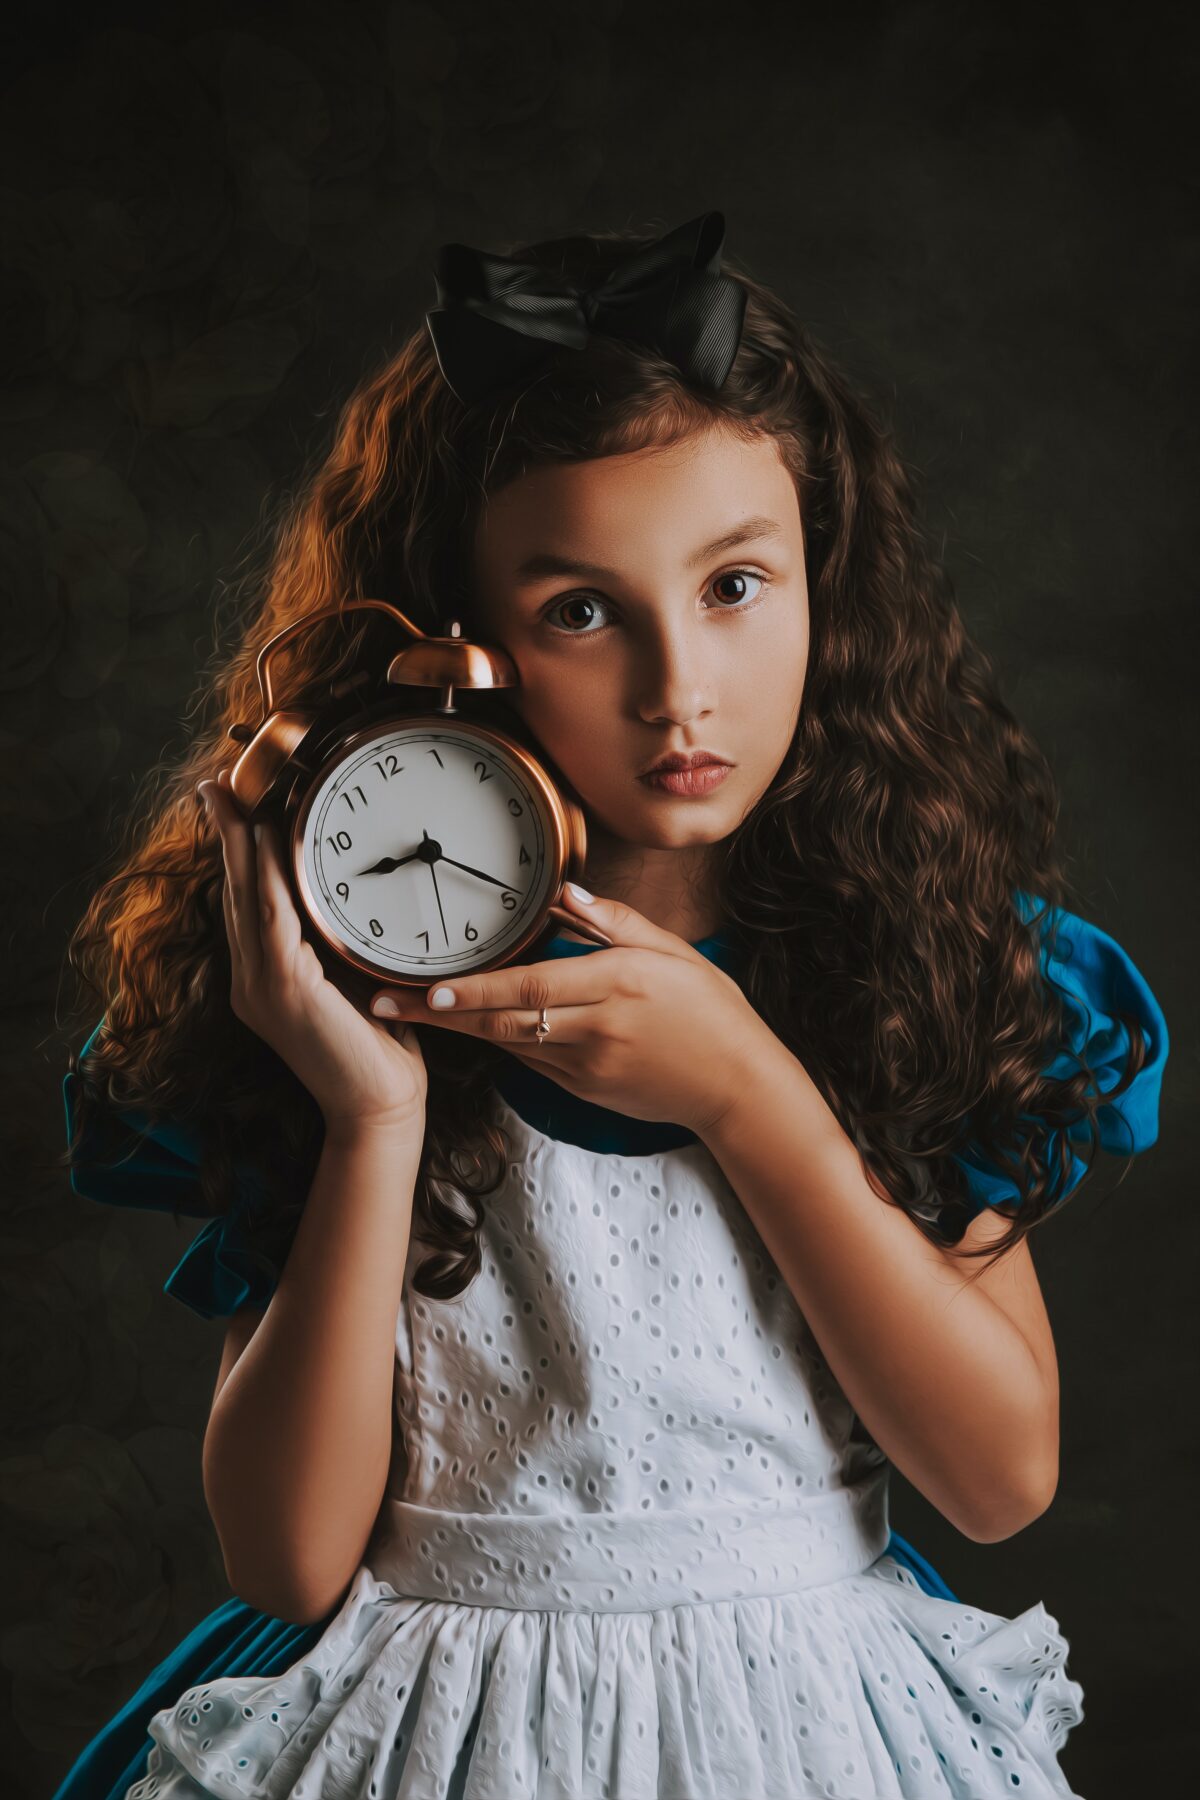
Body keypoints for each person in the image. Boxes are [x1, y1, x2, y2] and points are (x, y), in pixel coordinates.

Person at [53, 212, 1167, 1800]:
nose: (679, 687)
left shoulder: (923, 964)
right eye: (583, 608)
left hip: (810, 1723)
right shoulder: (329, 986)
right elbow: (288, 1562)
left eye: (734, 585)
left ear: (824, 587)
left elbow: (997, 1480)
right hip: (433, 1725)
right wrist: (373, 1111)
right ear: (456, 643)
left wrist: (747, 1094)